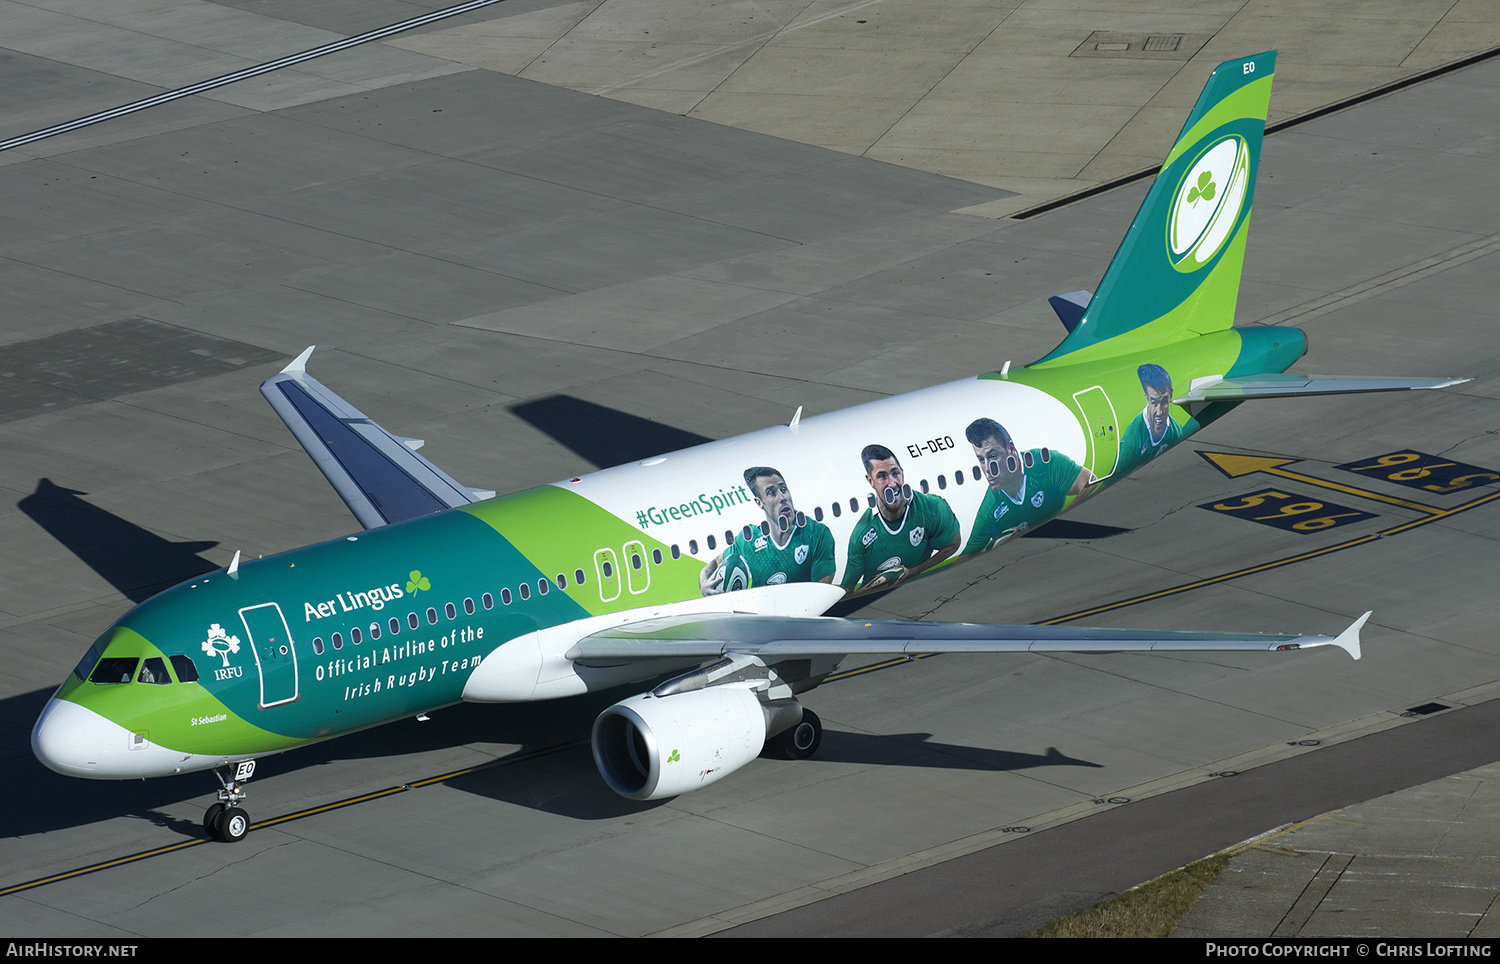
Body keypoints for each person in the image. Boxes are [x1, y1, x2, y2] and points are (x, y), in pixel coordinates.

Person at [960, 417, 1096, 555]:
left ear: (1011, 449)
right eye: (981, 460)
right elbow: (966, 556)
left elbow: (1089, 481)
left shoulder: (1044, 464)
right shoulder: (990, 507)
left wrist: (1060, 522)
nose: (987, 469)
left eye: (993, 456)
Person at [840, 445, 959, 594]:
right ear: (870, 481)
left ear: (902, 473)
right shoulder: (861, 536)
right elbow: (846, 591)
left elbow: (953, 545)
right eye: (882, 476)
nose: (892, 483)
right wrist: (867, 591)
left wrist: (912, 572)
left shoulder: (931, 508)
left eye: (895, 473)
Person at [700, 466, 835, 595]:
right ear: (759, 502)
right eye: (771, 493)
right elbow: (714, 564)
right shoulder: (749, 542)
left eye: (783, 489)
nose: (782, 497)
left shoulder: (817, 534)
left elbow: (820, 595)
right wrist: (704, 584)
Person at [1117, 363, 1183, 476]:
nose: (1159, 411)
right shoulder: (1132, 441)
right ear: (1146, 398)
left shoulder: (1175, 431)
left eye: (1164, 402)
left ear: (1171, 395)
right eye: (1154, 402)